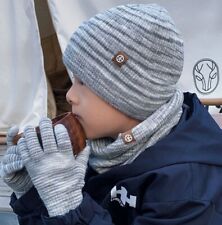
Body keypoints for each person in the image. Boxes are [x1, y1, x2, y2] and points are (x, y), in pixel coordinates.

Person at [1, 3, 222, 225]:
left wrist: (67, 203)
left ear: (131, 92)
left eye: (83, 82)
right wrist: (34, 193)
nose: (69, 95)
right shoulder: (105, 148)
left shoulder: (188, 187)